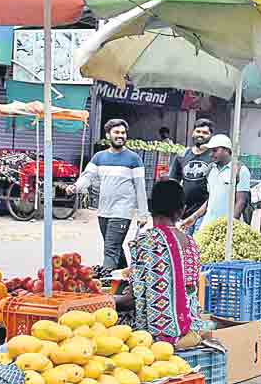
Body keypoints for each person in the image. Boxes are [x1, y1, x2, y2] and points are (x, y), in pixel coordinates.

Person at [121, 180, 201, 343]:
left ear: (151, 208)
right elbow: (189, 291)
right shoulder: (191, 243)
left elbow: (132, 299)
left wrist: (105, 301)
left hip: (155, 337)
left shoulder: (144, 242)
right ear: (182, 211)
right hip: (191, 330)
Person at [75, 119, 148, 272]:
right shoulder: (99, 157)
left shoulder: (134, 159)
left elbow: (140, 188)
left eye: (123, 133)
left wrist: (143, 214)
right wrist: (75, 187)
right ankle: (125, 281)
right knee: (114, 247)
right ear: (108, 135)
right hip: (104, 211)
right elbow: (87, 176)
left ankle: (107, 280)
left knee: (111, 247)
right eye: (116, 132)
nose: (120, 135)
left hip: (123, 211)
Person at [185, 134, 251, 233]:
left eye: (215, 150)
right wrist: (194, 217)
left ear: (227, 150)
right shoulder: (211, 169)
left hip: (226, 229)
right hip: (207, 226)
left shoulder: (240, 170)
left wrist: (228, 229)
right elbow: (211, 199)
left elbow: (241, 202)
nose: (211, 154)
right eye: (211, 151)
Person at [168, 118, 214, 226]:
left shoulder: (214, 156)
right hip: (184, 212)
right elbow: (173, 183)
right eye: (198, 131)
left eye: (205, 133)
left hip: (205, 212)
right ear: (193, 133)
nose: (201, 135)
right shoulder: (182, 155)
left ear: (211, 135)